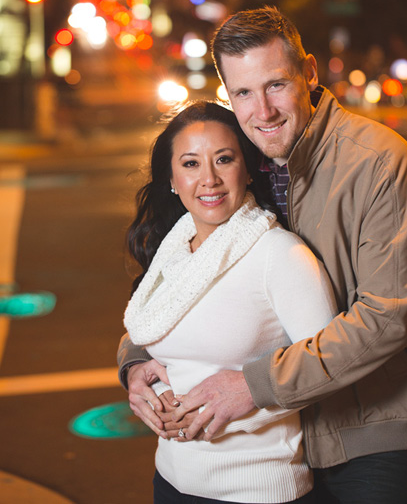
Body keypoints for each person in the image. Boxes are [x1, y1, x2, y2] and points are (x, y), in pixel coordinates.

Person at [119, 7, 407, 503]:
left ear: (309, 73)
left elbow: (387, 317)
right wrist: (137, 359)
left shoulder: (379, 162)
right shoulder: (243, 160)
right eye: (244, 93)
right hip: (285, 436)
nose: (263, 110)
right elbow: (191, 281)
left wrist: (253, 386)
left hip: (373, 430)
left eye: (276, 85)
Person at [123, 101, 337, 503]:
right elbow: (150, 328)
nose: (209, 179)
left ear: (247, 169)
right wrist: (138, 373)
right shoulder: (173, 253)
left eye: (224, 159)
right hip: (171, 480)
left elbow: (329, 370)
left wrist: (244, 399)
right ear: (171, 178)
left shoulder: (280, 255)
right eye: (190, 164)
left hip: (257, 487)